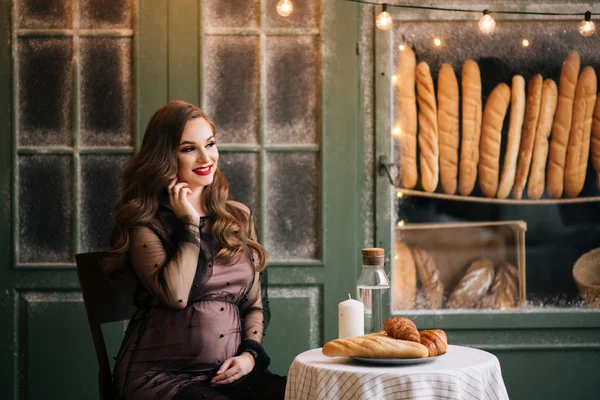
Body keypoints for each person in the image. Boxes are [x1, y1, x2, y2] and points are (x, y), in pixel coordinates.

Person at [104, 100, 287, 399]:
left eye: (210, 144)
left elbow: (253, 304)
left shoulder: (238, 217)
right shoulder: (145, 222)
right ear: (165, 156)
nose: (206, 157)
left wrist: (249, 356)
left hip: (227, 376)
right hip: (159, 379)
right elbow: (176, 295)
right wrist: (189, 223)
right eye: (188, 148)